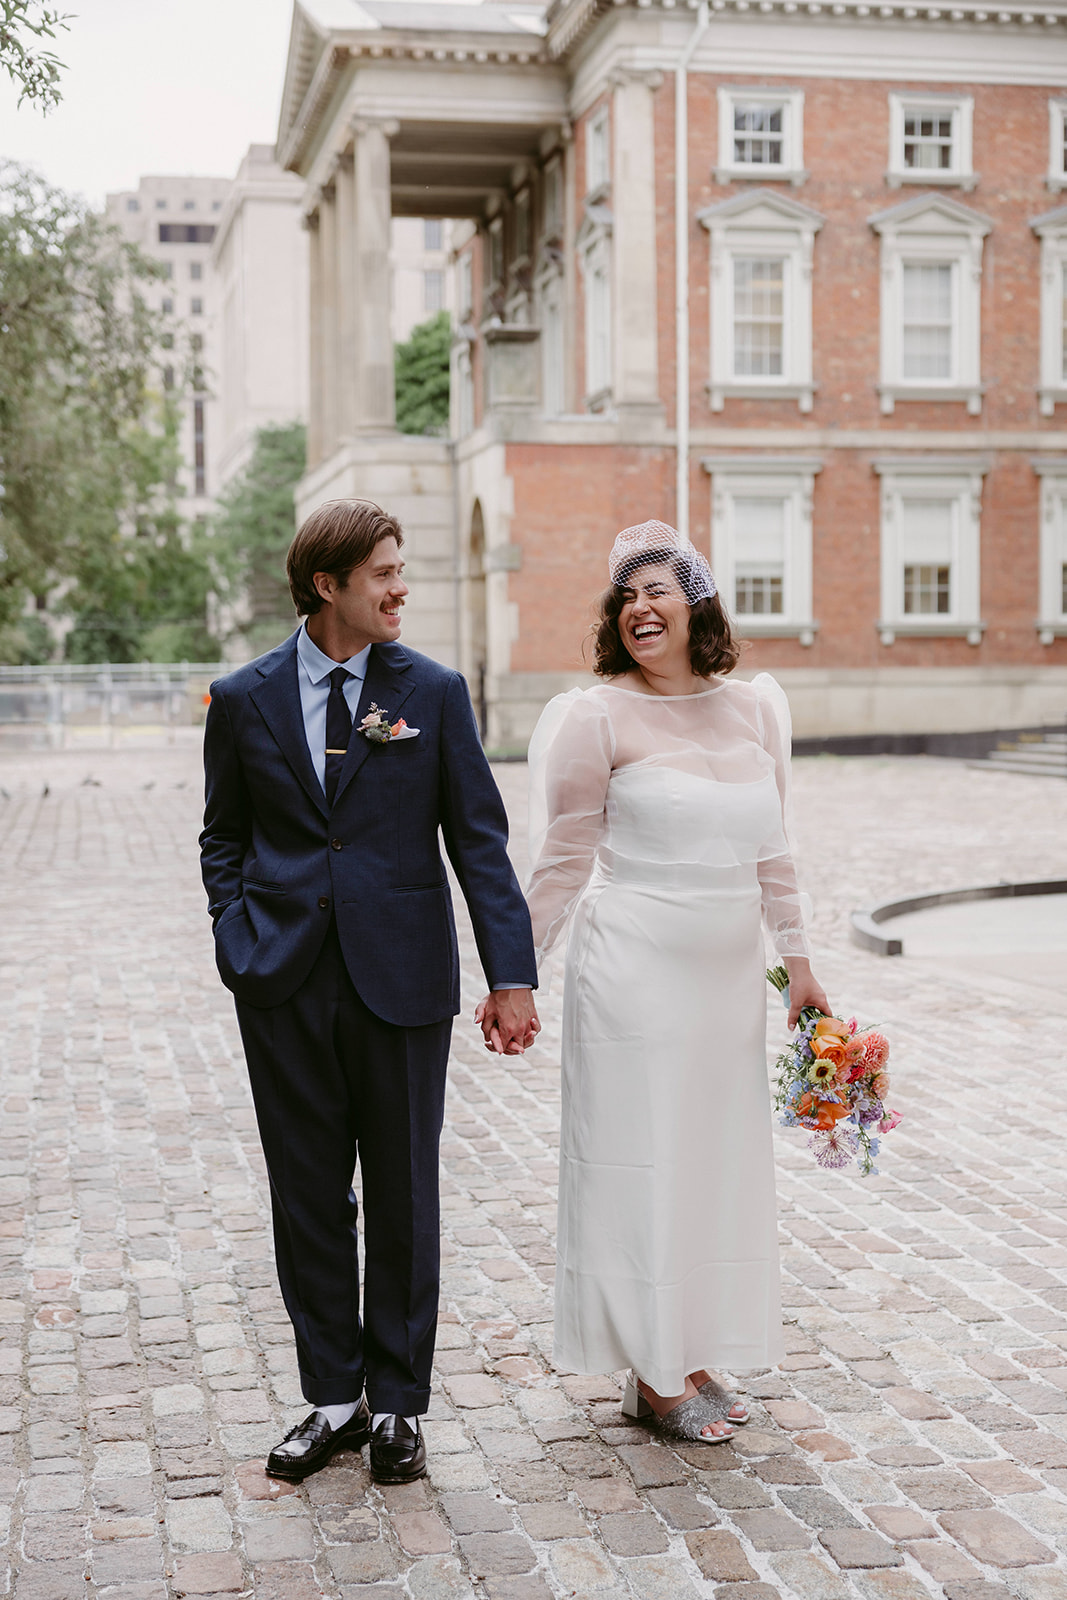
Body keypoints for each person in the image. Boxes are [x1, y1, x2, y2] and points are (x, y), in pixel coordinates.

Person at [200, 498, 539, 1484]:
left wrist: (508, 972)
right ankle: (330, 1398)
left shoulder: (429, 692)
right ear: (327, 584)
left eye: (403, 570)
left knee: (400, 1193)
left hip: (401, 978)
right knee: (306, 1195)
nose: (401, 589)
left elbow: (478, 838)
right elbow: (223, 835)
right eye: (383, 573)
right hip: (283, 982)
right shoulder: (245, 695)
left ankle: (396, 1404)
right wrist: (236, 934)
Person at [525, 520, 829, 1442]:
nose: (637, 608)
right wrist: (513, 975)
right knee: (638, 1162)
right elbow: (563, 858)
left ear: (697, 602)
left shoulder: (755, 711)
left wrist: (800, 970)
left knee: (706, 1167)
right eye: (624, 596)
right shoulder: (596, 716)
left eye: (655, 589)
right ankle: (652, 1375)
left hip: (725, 977)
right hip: (632, 971)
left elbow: (772, 852)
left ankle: (687, 1349)